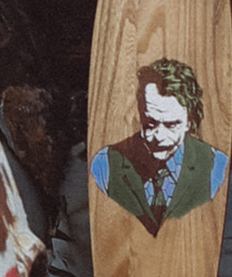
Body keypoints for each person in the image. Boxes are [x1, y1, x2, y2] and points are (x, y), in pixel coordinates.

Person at [91, 58, 224, 234]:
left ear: (189, 121)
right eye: (150, 123)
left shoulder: (215, 165)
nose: (159, 137)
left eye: (171, 125)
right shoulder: (105, 164)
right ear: (140, 113)